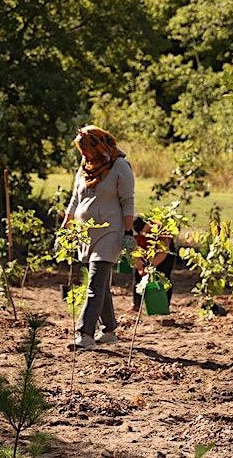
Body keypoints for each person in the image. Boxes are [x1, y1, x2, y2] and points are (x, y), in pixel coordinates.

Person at [61, 126, 135, 350]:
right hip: (85, 234)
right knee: (99, 284)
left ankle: (84, 333)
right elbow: (75, 199)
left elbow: (127, 201)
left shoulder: (120, 167)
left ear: (99, 146)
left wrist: (128, 233)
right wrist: (67, 225)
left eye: (86, 148)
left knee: (94, 282)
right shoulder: (85, 168)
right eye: (80, 149)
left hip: (109, 232)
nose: (83, 153)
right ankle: (110, 330)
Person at [130, 215, 176, 312]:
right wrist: (140, 268)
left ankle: (164, 306)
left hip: (164, 252)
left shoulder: (160, 228)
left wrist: (150, 267)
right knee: (137, 277)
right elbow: (134, 252)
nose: (142, 234)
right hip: (145, 251)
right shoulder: (132, 231)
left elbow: (163, 252)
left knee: (163, 276)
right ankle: (136, 305)